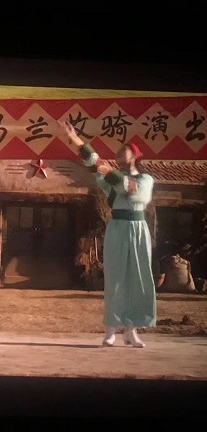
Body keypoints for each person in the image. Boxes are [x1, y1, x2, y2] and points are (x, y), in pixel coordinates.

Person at [59, 120, 156, 348]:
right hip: (117, 227)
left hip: (138, 229)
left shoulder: (145, 179)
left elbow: (132, 191)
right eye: (118, 151)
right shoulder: (109, 180)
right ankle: (111, 329)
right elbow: (94, 163)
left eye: (125, 150)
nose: (119, 153)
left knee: (137, 277)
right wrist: (75, 139)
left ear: (135, 156)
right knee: (115, 278)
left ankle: (131, 329)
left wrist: (107, 169)